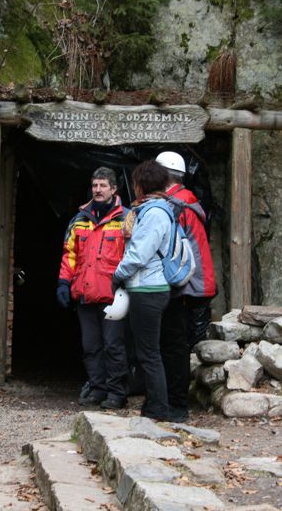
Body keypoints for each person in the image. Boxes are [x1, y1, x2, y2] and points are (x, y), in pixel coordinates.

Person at [111, 160, 177, 422]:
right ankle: (153, 405)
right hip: (150, 288)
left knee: (149, 354)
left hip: (147, 288)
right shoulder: (156, 210)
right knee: (148, 352)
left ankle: (158, 409)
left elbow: (139, 254)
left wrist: (117, 275)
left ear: (140, 185)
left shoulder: (153, 213)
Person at [58, 167, 129, 409]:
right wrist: (64, 283)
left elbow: (134, 256)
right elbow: (70, 255)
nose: (98, 190)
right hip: (85, 294)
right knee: (91, 347)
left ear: (114, 189)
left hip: (113, 297)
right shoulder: (79, 219)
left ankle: (117, 393)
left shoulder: (126, 219)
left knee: (114, 346)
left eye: (103, 186)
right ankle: (98, 388)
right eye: (95, 185)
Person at [155, 151, 217, 421]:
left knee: (173, 345)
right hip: (192, 284)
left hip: (180, 286)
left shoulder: (176, 206)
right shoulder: (187, 202)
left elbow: (166, 248)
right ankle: (174, 402)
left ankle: (176, 406)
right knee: (175, 344)